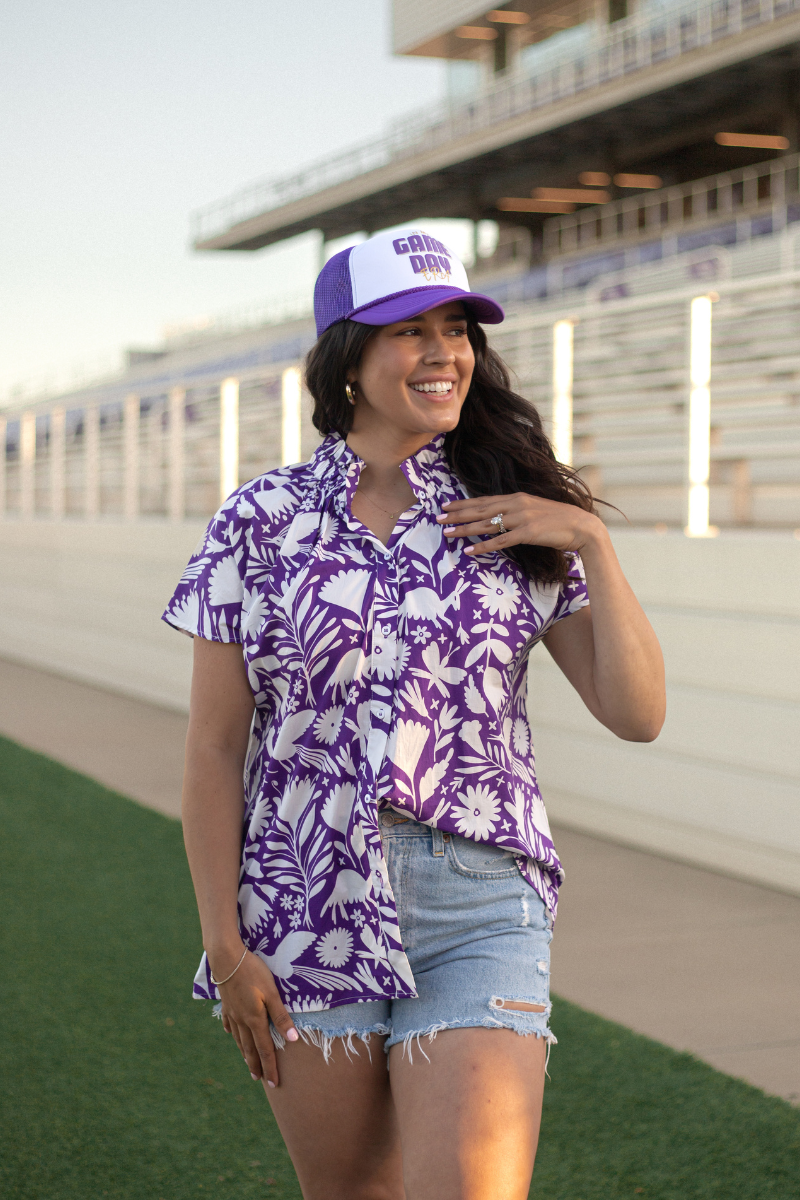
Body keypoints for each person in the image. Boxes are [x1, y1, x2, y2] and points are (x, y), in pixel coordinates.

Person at [163, 228, 665, 1200]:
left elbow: (635, 714)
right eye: (410, 331)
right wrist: (225, 950)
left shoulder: (509, 511)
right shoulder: (258, 521)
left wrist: (591, 545)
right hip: (303, 904)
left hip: (478, 903)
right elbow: (214, 747)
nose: (443, 353)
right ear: (346, 357)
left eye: (456, 329)